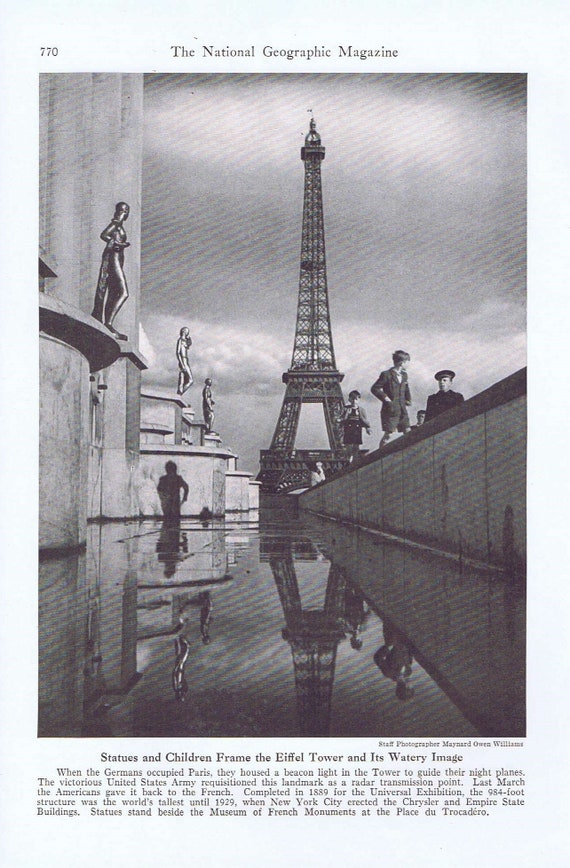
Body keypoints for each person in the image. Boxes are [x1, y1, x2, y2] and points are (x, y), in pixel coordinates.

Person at [91, 201, 131, 340]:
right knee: (124, 292)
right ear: (118, 211)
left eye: (126, 211)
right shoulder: (115, 224)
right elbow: (104, 235)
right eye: (122, 210)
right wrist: (119, 244)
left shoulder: (119, 225)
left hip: (118, 258)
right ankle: (108, 323)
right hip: (113, 258)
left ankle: (108, 323)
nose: (124, 213)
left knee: (114, 291)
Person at [371, 350, 412, 448]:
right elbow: (375, 388)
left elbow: (406, 388)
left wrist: (408, 399)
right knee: (388, 436)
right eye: (408, 362)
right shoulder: (386, 374)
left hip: (402, 409)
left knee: (408, 433)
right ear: (402, 363)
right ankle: (380, 456)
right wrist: (386, 399)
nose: (409, 364)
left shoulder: (404, 375)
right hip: (391, 410)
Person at [340, 390, 371, 463]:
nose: (354, 401)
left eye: (356, 399)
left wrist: (368, 428)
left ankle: (355, 461)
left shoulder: (361, 410)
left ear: (359, 400)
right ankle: (349, 459)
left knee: (356, 447)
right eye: (352, 399)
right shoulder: (346, 409)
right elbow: (342, 417)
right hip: (348, 429)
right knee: (348, 447)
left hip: (357, 429)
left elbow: (364, 420)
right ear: (349, 399)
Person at [176, 327, 193, 395]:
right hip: (183, 360)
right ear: (183, 331)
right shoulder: (180, 340)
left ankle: (180, 391)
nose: (187, 333)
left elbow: (188, 345)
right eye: (186, 331)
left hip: (186, 359)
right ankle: (179, 393)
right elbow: (178, 352)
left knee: (183, 376)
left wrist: (189, 339)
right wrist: (182, 364)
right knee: (190, 380)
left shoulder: (185, 341)